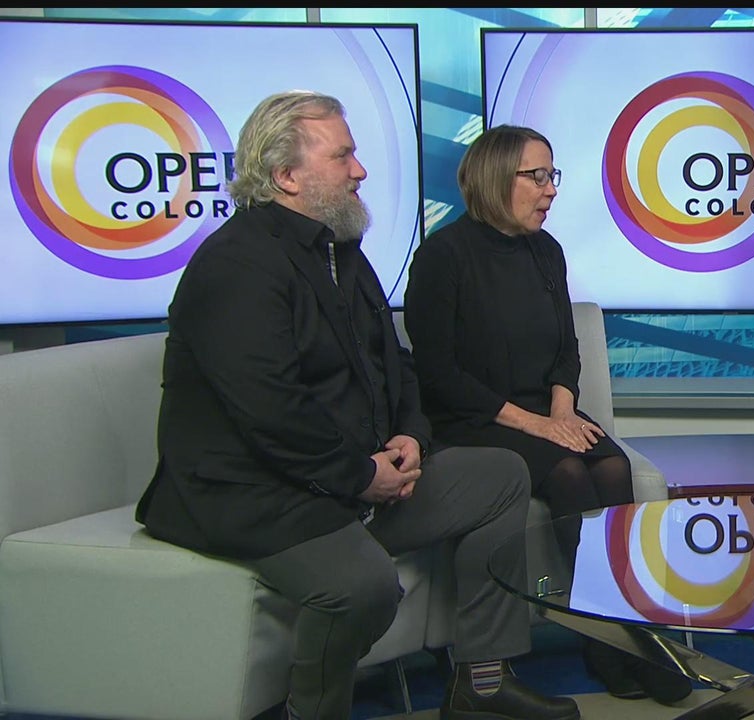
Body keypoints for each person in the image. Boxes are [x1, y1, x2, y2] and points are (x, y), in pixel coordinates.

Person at [134, 91, 579, 720]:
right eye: (342, 157)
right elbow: (270, 410)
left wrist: (412, 437)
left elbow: (396, 364)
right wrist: (360, 474)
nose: (360, 170)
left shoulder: (341, 252)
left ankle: (482, 682)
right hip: (257, 493)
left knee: (502, 476)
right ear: (286, 176)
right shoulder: (236, 266)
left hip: (350, 478)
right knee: (363, 586)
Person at [401, 124, 692, 706]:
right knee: (567, 471)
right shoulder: (441, 257)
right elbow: (438, 375)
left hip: (547, 410)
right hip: (475, 420)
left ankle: (630, 625)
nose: (550, 189)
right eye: (536, 176)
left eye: (551, 175)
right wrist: (537, 425)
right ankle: (607, 639)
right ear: (494, 178)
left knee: (612, 467)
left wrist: (562, 407)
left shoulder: (546, 251)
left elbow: (566, 347)